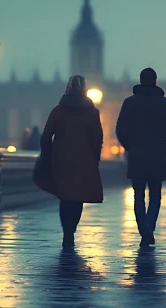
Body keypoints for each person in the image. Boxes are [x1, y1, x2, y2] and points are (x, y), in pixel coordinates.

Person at [116, 68, 166, 247]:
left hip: (136, 154)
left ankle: (144, 229)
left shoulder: (129, 102)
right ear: (155, 81)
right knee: (155, 195)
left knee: (138, 195)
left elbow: (120, 129)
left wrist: (129, 146)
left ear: (141, 80)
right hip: (158, 154)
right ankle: (149, 227)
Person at [39, 75, 104, 249]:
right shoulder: (93, 112)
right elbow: (97, 140)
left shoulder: (59, 111)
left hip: (61, 160)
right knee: (78, 198)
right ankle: (72, 229)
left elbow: (45, 137)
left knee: (65, 196)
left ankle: (67, 232)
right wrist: (94, 160)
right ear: (85, 90)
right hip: (84, 161)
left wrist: (49, 155)